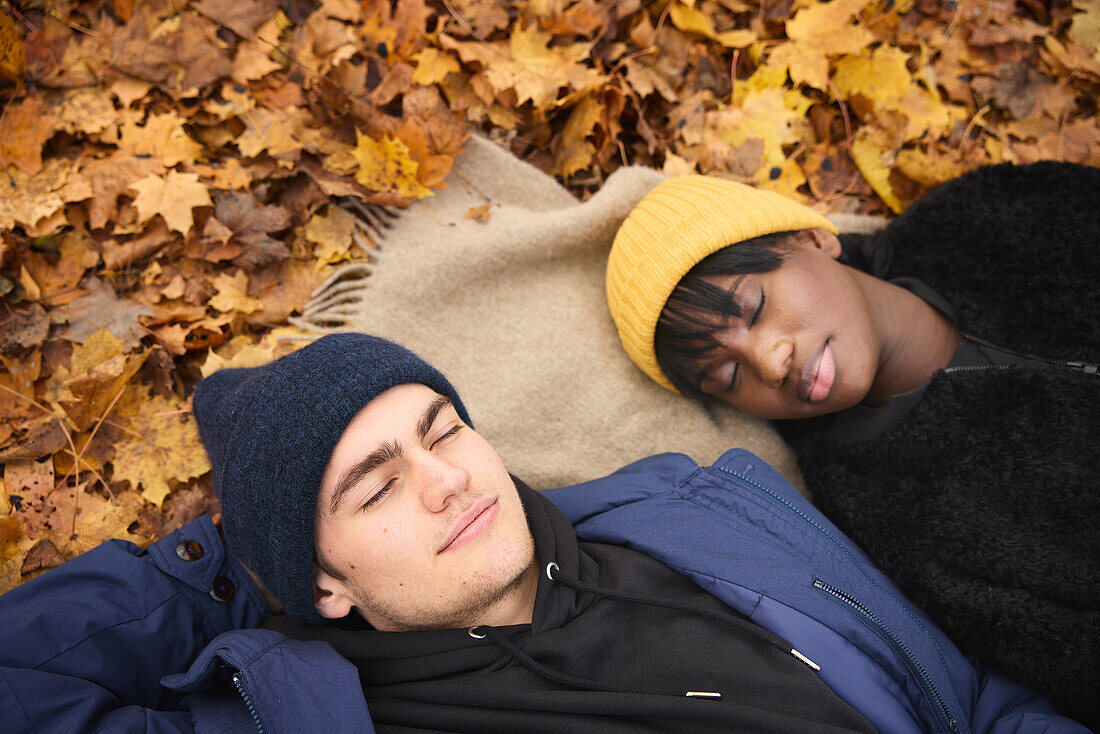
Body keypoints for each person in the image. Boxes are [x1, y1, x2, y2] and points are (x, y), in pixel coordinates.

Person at [0, 334, 1090, 733]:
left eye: (442, 430)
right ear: (323, 580)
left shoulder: (694, 508)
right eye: (375, 489)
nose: (446, 480)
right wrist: (220, 569)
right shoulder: (308, 711)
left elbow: (975, 700)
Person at [605, 161, 1100, 728]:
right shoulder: (893, 516)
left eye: (756, 307)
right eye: (728, 379)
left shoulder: (990, 215)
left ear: (813, 237)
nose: (770, 360)